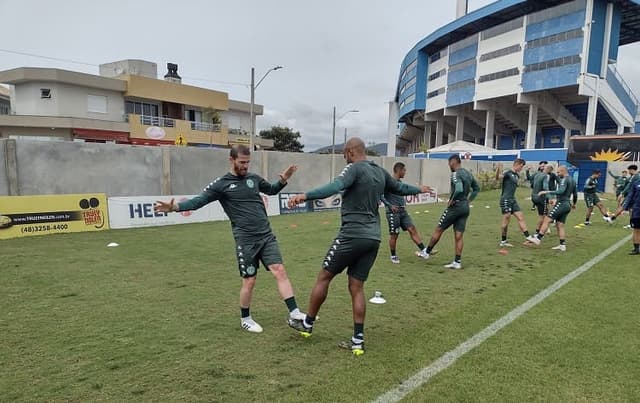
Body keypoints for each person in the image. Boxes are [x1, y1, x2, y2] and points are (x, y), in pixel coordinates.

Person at [285, 137, 431, 355]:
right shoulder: (379, 172)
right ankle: (357, 341)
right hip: (373, 238)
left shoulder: (354, 169)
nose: (345, 158)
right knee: (357, 287)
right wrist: (420, 189)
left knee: (324, 277)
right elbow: (400, 188)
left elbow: (335, 186)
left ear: (351, 151)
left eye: (345, 154)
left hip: (352, 235)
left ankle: (307, 324)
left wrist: (304, 196)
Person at [153, 145, 305, 334]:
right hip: (246, 241)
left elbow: (272, 190)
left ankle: (295, 313)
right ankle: (246, 318)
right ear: (231, 160)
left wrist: (284, 178)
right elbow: (198, 201)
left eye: (247, 163)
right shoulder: (221, 184)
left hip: (266, 236)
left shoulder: (253, 179)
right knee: (250, 281)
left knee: (279, 271)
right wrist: (175, 207)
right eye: (242, 162)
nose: (245, 166)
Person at [421, 154, 480, 269]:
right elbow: (477, 188)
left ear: (453, 162)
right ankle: (457, 262)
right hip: (465, 207)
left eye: (449, 163)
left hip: (455, 207)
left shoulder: (455, 174)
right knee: (459, 235)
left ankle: (426, 253)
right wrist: (469, 201)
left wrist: (451, 200)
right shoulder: (468, 174)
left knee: (439, 229)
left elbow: (458, 188)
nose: (449, 165)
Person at [381, 162, 429, 264]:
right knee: (394, 235)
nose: (405, 172)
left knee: (412, 229)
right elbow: (380, 195)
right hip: (393, 213)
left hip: (403, 212)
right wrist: (389, 206)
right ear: (398, 170)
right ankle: (393, 256)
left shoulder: (400, 183)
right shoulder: (389, 183)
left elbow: (406, 189)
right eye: (404, 170)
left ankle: (424, 250)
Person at [527, 165, 578, 251]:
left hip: (561, 204)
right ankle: (562, 245)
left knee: (547, 219)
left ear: (563, 171)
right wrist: (574, 204)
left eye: (558, 172)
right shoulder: (572, 180)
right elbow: (575, 194)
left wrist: (547, 191)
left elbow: (560, 191)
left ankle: (538, 238)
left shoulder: (565, 179)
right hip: (567, 205)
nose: (557, 174)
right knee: (560, 225)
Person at [498, 158, 535, 247]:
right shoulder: (508, 173)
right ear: (516, 164)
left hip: (512, 200)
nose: (521, 168)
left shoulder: (517, 175)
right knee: (506, 220)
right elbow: (498, 177)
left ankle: (528, 237)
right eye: (521, 166)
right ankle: (503, 241)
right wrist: (498, 169)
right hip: (505, 199)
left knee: (520, 217)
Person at [531, 164, 556, 236]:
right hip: (541, 198)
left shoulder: (537, 174)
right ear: (549, 170)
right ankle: (537, 232)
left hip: (534, 197)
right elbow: (545, 187)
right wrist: (550, 198)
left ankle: (546, 228)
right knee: (542, 215)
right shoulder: (546, 176)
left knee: (543, 214)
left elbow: (533, 184)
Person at [620, 176, 640, 255]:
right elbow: (630, 196)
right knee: (636, 229)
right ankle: (636, 249)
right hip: (637, 210)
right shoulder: (636, 183)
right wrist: (624, 208)